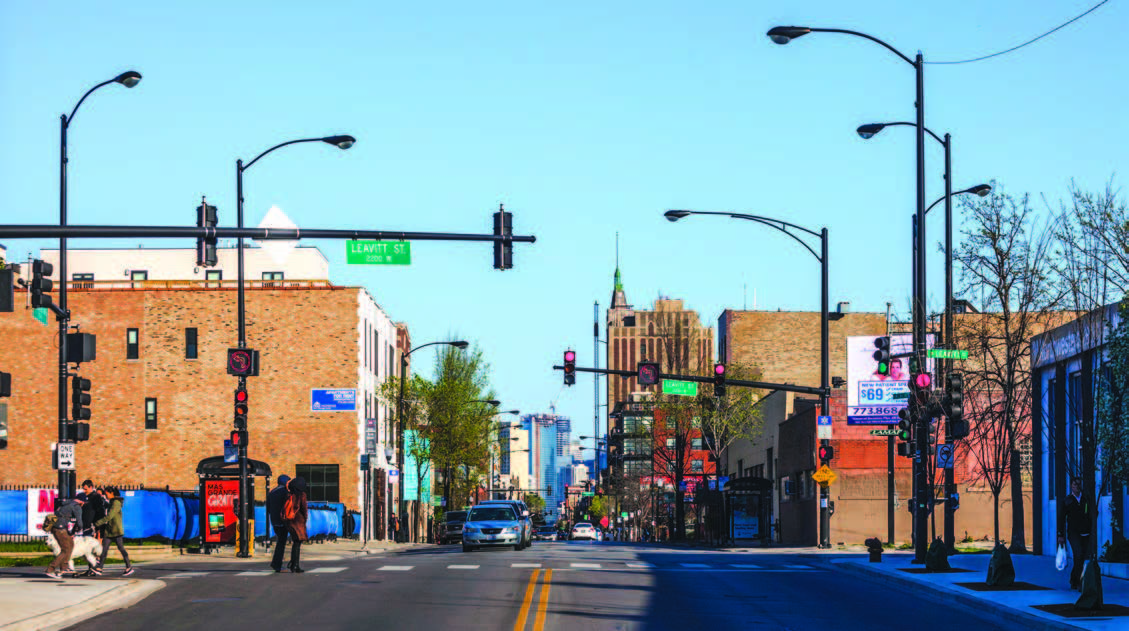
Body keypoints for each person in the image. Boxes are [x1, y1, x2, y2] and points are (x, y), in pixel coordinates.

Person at [1059, 476, 1094, 591]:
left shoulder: (1085, 499)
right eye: (1075, 485)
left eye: (1079, 485)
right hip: (1073, 533)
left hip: (1085, 532)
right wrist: (1060, 535)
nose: (1077, 487)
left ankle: (1074, 579)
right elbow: (1061, 519)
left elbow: (1092, 513)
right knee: (1077, 554)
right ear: (1071, 486)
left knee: (1082, 557)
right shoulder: (1067, 501)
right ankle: (1078, 581)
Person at [93, 486, 133, 576]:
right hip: (110, 529)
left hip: (116, 530)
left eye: (106, 493)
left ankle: (129, 566)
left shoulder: (116, 503)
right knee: (104, 549)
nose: (105, 495)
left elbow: (109, 516)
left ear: (111, 493)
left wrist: (97, 523)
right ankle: (100, 568)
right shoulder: (111, 502)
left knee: (121, 548)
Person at [45, 495, 85, 579]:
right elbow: (79, 523)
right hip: (60, 529)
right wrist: (78, 530)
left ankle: (64, 567)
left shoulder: (66, 503)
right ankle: (50, 569)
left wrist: (72, 532)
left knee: (70, 544)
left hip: (56, 528)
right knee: (65, 549)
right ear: (82, 501)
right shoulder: (76, 507)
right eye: (84, 502)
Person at [283, 477, 308, 572]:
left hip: (289, 520)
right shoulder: (301, 495)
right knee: (298, 542)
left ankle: (293, 563)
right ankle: (295, 565)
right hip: (298, 521)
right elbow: (304, 508)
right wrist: (305, 519)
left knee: (295, 542)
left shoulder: (289, 494)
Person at [267, 474, 292, 572]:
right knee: (281, 543)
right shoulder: (285, 492)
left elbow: (268, 508)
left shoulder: (272, 492)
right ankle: (276, 564)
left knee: (280, 542)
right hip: (283, 521)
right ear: (285, 482)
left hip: (274, 520)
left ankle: (276, 563)